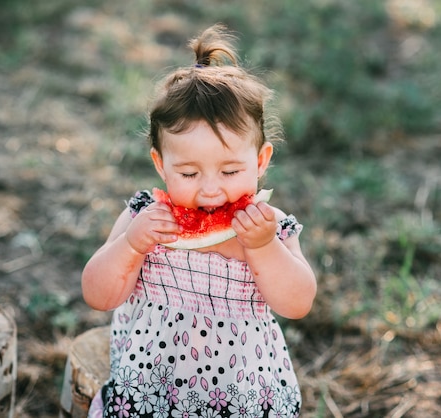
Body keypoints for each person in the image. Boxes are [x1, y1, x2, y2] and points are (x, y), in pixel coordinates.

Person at [82, 24, 317, 418]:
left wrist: (263, 247)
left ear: (261, 161)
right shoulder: (145, 216)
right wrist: (131, 245)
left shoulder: (268, 224)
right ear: (160, 165)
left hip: (243, 396)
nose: (210, 191)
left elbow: (297, 304)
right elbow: (98, 296)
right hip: (150, 393)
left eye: (230, 172)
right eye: (189, 174)